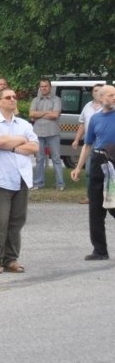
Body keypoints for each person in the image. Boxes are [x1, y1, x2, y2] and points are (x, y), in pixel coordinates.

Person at [0, 87, 38, 274]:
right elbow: (0, 143)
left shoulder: (24, 124)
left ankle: (11, 258)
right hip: (0, 178)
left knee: (17, 221)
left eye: (15, 97)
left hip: (21, 177)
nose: (13, 100)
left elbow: (35, 147)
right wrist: (21, 141)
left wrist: (13, 146)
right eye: (8, 97)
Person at [72, 85, 115, 260]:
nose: (113, 98)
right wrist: (78, 167)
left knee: (113, 205)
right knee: (95, 209)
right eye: (110, 95)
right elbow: (88, 145)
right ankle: (100, 250)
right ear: (101, 97)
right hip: (98, 162)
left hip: (114, 162)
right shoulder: (96, 119)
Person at [72, 84, 105, 204]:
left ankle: (105, 196)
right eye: (95, 91)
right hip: (90, 142)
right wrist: (76, 139)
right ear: (92, 93)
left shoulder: (109, 107)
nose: (97, 93)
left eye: (100, 91)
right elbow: (82, 124)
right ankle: (90, 196)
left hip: (104, 143)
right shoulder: (87, 106)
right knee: (89, 171)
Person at [29, 78, 64, 190]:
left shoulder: (56, 99)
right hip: (38, 133)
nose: (44, 88)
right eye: (42, 86)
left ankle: (60, 184)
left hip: (53, 132)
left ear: (50, 87)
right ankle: (38, 183)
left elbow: (55, 115)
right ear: (40, 88)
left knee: (56, 158)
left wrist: (38, 114)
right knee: (39, 159)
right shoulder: (35, 100)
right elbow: (31, 114)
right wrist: (47, 112)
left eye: (46, 86)